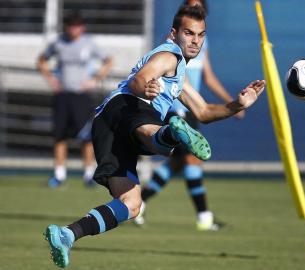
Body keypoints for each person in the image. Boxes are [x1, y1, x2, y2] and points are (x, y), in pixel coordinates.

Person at [44, 5, 265, 268]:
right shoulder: (170, 55)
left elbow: (204, 111)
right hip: (128, 108)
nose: (195, 40)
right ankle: (171, 133)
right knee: (156, 138)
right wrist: (145, 87)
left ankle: (68, 234)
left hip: (107, 126)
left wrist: (237, 105)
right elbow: (141, 78)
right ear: (174, 33)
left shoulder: (178, 73)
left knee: (131, 203)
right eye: (189, 33)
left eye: (200, 34)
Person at [134, 0, 244, 231]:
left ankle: (140, 202)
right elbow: (157, 71)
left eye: (199, 5)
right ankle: (204, 217)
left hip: (192, 107)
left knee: (176, 163)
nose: (195, 8)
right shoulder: (174, 42)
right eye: (190, 4)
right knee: (192, 159)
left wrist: (232, 103)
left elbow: (209, 77)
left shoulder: (201, 42)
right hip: (177, 107)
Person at [37, 13, 113, 188]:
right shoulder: (58, 43)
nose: (74, 29)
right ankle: (59, 174)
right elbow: (42, 60)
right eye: (71, 26)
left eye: (78, 26)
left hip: (82, 96)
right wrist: (50, 79)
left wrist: (95, 79)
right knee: (60, 135)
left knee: (86, 136)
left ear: (82, 28)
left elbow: (108, 61)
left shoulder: (88, 43)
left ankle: (88, 173)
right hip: (62, 95)